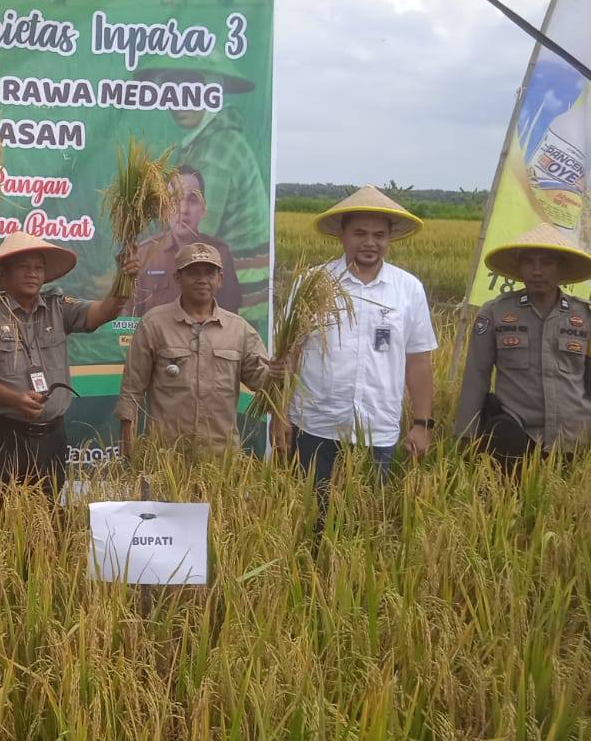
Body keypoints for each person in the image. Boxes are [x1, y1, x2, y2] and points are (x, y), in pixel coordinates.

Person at [285, 185, 437, 503]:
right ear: (342, 235)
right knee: (307, 515)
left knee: (364, 523)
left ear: (389, 238)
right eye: (360, 233)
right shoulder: (312, 283)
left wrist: (422, 423)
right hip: (315, 426)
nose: (370, 243)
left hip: (377, 428)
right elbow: (290, 355)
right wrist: (279, 417)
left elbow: (419, 361)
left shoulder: (408, 290)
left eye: (379, 235)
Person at [0, 231, 138, 490]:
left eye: (38, 268)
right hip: (1, 437)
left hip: (51, 438)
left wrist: (124, 278)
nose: (32, 273)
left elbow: (103, 312)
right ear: (3, 274)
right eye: (23, 267)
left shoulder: (59, 307)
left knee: (45, 516)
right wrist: (15, 400)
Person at [116, 242, 273, 455]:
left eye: (209, 273)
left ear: (220, 279)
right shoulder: (154, 324)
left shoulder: (239, 330)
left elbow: (263, 384)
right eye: (193, 273)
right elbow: (131, 390)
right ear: (177, 279)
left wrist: (280, 373)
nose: (202, 280)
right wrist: (128, 448)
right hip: (167, 458)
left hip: (221, 460)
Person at [455, 222, 591, 468]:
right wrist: (467, 435)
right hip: (516, 436)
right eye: (529, 262)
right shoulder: (496, 312)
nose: (537, 271)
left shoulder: (584, 316)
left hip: (573, 439)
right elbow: (477, 374)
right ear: (519, 268)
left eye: (547, 263)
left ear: (561, 268)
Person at [140, 66, 270, 318]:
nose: (180, 102)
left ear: (212, 92)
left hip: (238, 300)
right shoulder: (210, 140)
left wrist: (136, 271)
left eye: (191, 90)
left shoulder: (216, 153)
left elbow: (191, 237)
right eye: (172, 92)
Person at [128, 166, 239, 316]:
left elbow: (230, 318)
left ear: (203, 208)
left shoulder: (220, 254)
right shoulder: (145, 254)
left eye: (192, 200)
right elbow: (130, 318)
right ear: (164, 207)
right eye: (175, 200)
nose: (183, 209)